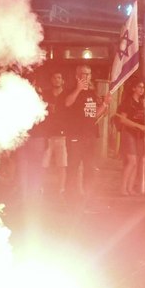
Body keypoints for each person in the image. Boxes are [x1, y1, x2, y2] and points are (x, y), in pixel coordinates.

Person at [63, 65, 100, 198]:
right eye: (84, 74)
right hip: (76, 136)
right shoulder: (70, 91)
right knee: (73, 166)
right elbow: (67, 103)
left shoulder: (92, 93)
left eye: (89, 74)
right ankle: (70, 195)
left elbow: (94, 115)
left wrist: (105, 104)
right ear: (77, 76)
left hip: (90, 136)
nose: (86, 76)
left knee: (90, 167)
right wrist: (78, 89)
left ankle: (87, 195)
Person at [115, 80, 145, 195]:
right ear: (133, 88)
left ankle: (130, 188)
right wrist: (138, 126)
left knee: (137, 161)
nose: (142, 89)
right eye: (139, 87)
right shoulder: (127, 101)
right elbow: (122, 120)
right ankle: (123, 188)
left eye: (143, 87)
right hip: (129, 133)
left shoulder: (141, 102)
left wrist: (143, 127)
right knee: (132, 161)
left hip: (139, 134)